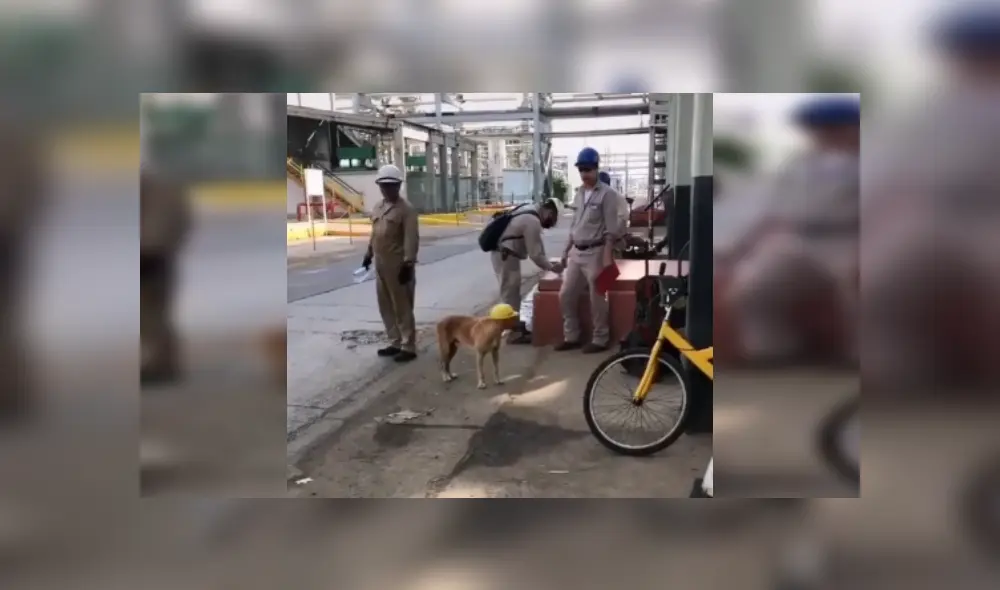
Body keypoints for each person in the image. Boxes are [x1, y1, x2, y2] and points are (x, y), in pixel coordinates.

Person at [721, 95, 860, 365]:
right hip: (800, 239)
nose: (826, 135)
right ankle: (772, 352)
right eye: (819, 128)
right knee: (753, 285)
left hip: (852, 238)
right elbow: (769, 212)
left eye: (834, 127)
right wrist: (737, 249)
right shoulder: (798, 166)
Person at [556, 147, 628, 353]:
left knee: (597, 297)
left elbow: (612, 228)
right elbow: (574, 226)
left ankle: (600, 338)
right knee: (566, 295)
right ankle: (572, 336)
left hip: (596, 253)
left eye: (588, 169)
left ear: (596, 169)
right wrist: (565, 252)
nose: (584, 174)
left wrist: (607, 255)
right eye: (581, 170)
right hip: (576, 254)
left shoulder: (608, 195)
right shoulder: (579, 193)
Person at [141, 160, 192, 384]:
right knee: (152, 314)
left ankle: (163, 365)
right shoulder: (159, 187)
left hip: (153, 257)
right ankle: (161, 362)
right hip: (155, 254)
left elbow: (166, 225)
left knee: (154, 313)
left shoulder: (158, 189)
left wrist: (153, 247)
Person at [362, 164, 420, 362]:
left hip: (398, 265)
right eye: (383, 185)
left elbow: (411, 238)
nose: (387, 189)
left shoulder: (407, 210)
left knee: (402, 306)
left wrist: (408, 263)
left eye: (391, 185)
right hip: (380, 264)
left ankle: (408, 345)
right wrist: (368, 253)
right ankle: (394, 341)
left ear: (398, 185)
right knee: (385, 305)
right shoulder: (378, 207)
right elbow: (375, 233)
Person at [491, 197, 564, 344]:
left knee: (512, 292)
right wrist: (551, 267)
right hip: (505, 255)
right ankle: (512, 332)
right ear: (549, 211)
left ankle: (514, 326)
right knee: (510, 293)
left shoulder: (529, 210)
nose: (552, 222)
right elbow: (535, 254)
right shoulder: (532, 221)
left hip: (505, 254)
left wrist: (548, 263)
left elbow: (537, 246)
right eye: (554, 218)